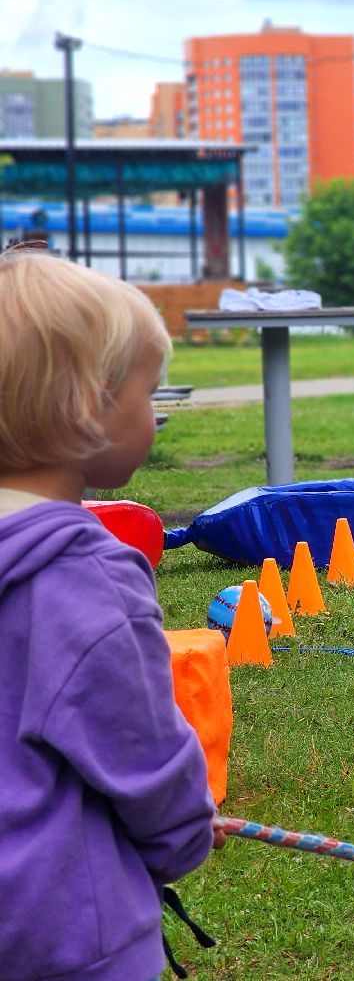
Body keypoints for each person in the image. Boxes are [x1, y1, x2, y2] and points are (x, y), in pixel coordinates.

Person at [0, 248, 223, 980]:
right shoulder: (84, 576)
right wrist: (185, 833)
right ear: (91, 403)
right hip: (63, 938)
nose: (155, 413)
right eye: (148, 393)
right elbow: (141, 751)